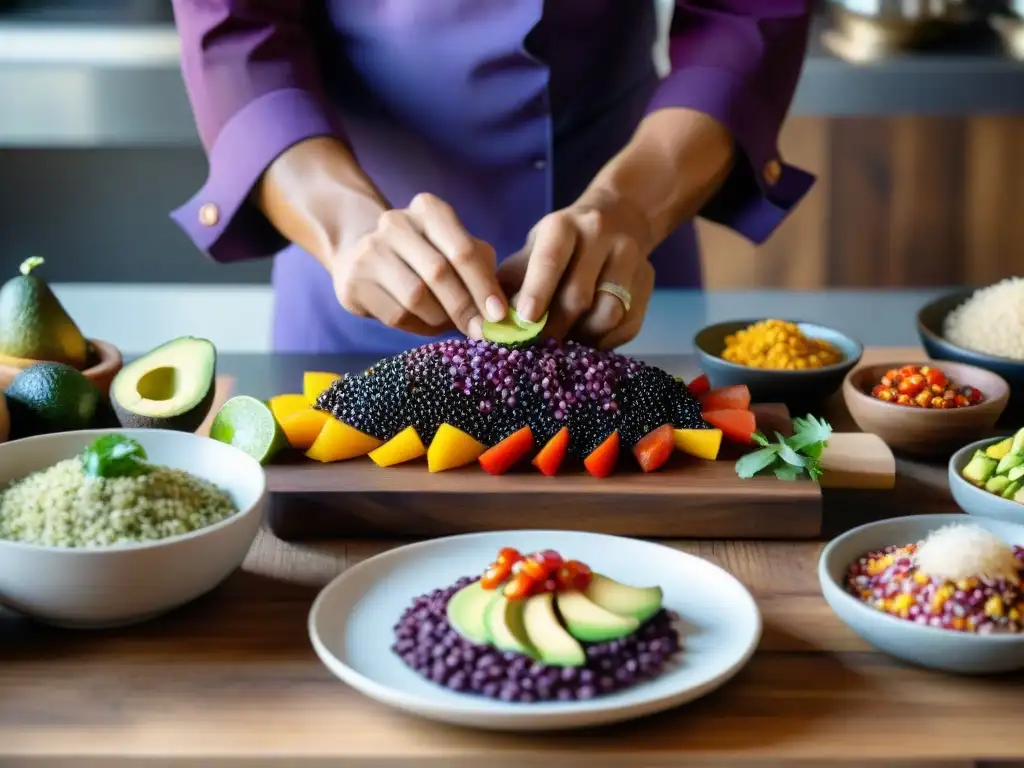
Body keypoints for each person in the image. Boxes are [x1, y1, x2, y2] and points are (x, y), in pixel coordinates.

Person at [169, 1, 815, 355]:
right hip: (351, 276)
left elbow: (747, 13)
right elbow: (238, 26)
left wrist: (632, 208)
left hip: (626, 266)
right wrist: (343, 226)